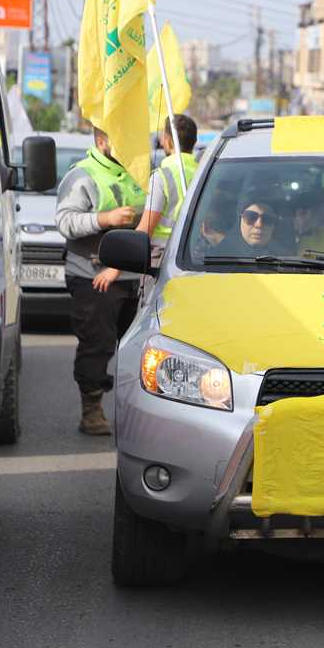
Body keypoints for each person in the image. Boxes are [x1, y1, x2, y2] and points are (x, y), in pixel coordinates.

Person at [54, 127, 146, 435]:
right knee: (97, 344)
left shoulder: (140, 171)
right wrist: (103, 219)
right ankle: (91, 409)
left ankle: (139, 412)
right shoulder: (81, 176)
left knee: (140, 350)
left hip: (137, 275)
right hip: (93, 275)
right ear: (101, 141)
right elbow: (64, 221)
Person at [139, 114, 199, 250]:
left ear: (168, 141)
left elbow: (144, 231)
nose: (160, 141)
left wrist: (114, 269)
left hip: (162, 256)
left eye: (162, 137)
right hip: (194, 254)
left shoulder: (161, 177)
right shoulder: (203, 172)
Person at [208, 202, 285, 257]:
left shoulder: (288, 259)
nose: (259, 224)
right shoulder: (215, 259)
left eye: (267, 219)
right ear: (239, 221)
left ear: (274, 226)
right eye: (251, 217)